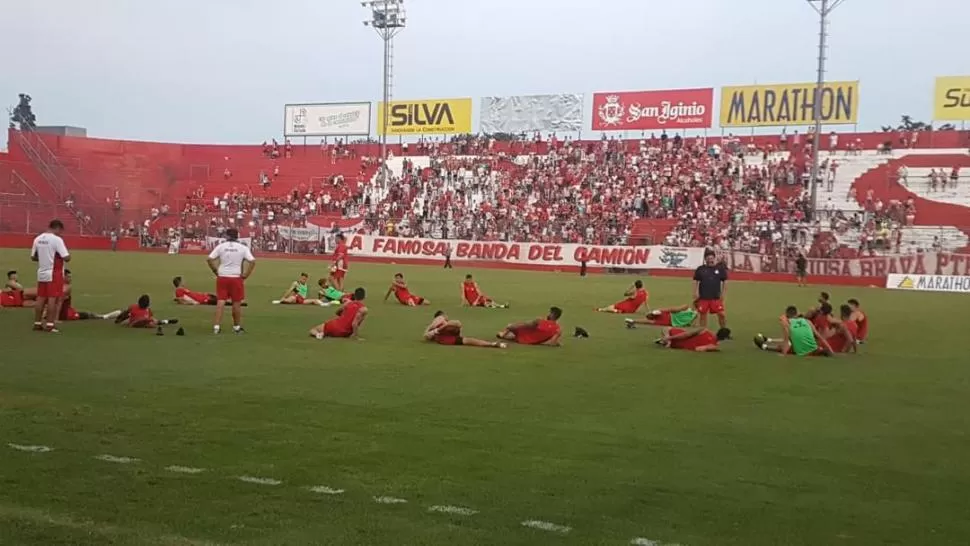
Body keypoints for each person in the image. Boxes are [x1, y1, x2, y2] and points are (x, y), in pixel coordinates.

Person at [206, 228, 255, 334]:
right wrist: (246, 275)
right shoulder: (242, 247)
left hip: (222, 276)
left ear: (227, 236)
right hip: (236, 277)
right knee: (236, 303)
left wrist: (215, 270)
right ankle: (236, 327)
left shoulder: (221, 246)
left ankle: (216, 327)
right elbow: (252, 261)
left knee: (221, 301)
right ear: (237, 236)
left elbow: (209, 259)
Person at [30, 219, 70, 332]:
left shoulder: (38, 239)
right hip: (54, 272)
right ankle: (50, 324)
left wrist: (43, 258)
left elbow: (33, 257)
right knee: (53, 299)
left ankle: (37, 323)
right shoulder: (56, 240)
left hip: (41, 271)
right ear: (57, 228)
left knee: (41, 298)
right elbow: (66, 257)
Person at [753, 305, 834, 356]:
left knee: (782, 346)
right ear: (796, 314)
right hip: (814, 350)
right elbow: (820, 337)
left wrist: (783, 355)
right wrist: (831, 350)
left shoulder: (787, 324)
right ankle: (766, 343)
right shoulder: (807, 321)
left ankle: (765, 347)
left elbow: (786, 342)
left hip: (801, 352)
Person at [423, 310, 506, 348]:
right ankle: (491, 344)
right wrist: (435, 330)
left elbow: (427, 335)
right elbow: (427, 333)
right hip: (444, 335)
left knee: (470, 340)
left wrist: (433, 332)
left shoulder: (444, 324)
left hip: (447, 339)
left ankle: (492, 344)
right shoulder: (440, 318)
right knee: (457, 323)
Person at [693, 249, 727, 329]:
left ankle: (724, 331)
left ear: (714, 258)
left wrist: (723, 293)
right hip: (703, 297)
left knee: (722, 314)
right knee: (703, 315)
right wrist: (695, 292)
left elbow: (725, 282)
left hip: (715, 297)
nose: (710, 259)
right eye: (708, 258)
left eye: (711, 258)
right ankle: (702, 332)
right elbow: (696, 281)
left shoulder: (720, 269)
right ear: (705, 259)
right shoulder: (700, 269)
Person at [496, 306, 563, 346]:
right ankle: (507, 336)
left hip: (522, 336)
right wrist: (557, 344)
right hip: (532, 342)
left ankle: (503, 334)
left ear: (552, 314)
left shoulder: (540, 321)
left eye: (550, 313)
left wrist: (511, 326)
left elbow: (525, 324)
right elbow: (552, 343)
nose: (548, 314)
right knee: (514, 335)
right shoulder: (558, 329)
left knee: (511, 326)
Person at [114, 294, 178, 328]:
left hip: (138, 323)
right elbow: (125, 314)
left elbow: (125, 313)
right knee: (150, 321)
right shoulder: (144, 309)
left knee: (150, 321)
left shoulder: (134, 307)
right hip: (135, 323)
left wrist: (119, 319)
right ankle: (166, 321)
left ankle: (167, 321)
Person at [172, 276, 243, 306]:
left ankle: (234, 301)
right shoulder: (179, 290)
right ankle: (237, 303)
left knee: (219, 297)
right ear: (179, 282)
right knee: (219, 301)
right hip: (202, 300)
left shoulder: (182, 290)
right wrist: (192, 303)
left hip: (204, 296)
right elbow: (181, 301)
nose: (184, 282)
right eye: (182, 281)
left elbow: (182, 298)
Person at [654, 327, 731, 352]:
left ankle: (666, 340)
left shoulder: (704, 330)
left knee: (666, 329)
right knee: (667, 331)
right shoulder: (713, 345)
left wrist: (669, 337)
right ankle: (667, 341)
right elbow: (698, 349)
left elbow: (686, 334)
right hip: (678, 346)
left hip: (676, 336)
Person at [626, 303, 698, 328]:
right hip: (671, 322)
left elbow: (675, 309)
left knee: (670, 309)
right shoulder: (695, 316)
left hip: (669, 315)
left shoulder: (687, 307)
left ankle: (655, 312)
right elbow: (691, 324)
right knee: (651, 322)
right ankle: (633, 321)